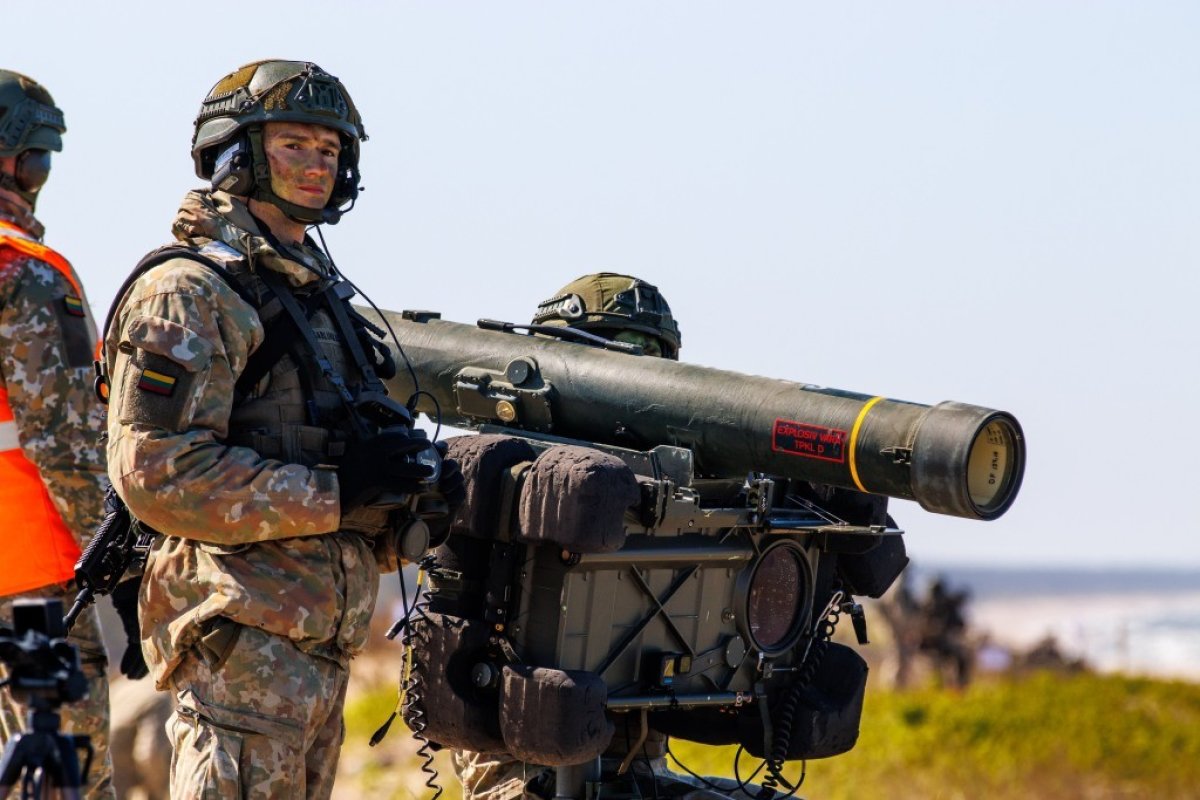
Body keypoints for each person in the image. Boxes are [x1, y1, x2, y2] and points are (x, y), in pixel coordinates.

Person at [102, 59, 463, 799]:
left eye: (330, 150)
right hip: (240, 653)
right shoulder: (190, 292)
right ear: (234, 154)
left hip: (316, 654)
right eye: (294, 145)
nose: (316, 165)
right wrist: (337, 493)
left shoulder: (315, 299)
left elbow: (329, 463)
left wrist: (399, 497)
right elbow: (156, 471)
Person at [455, 273, 757, 800]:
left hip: (635, 769)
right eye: (618, 358)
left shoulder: (658, 494)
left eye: (652, 362)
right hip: (521, 772)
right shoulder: (513, 476)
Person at [0, 69, 118, 799]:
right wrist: (124, 573)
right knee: (70, 780)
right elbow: (67, 445)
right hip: (31, 581)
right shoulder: (26, 274)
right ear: (22, 163)